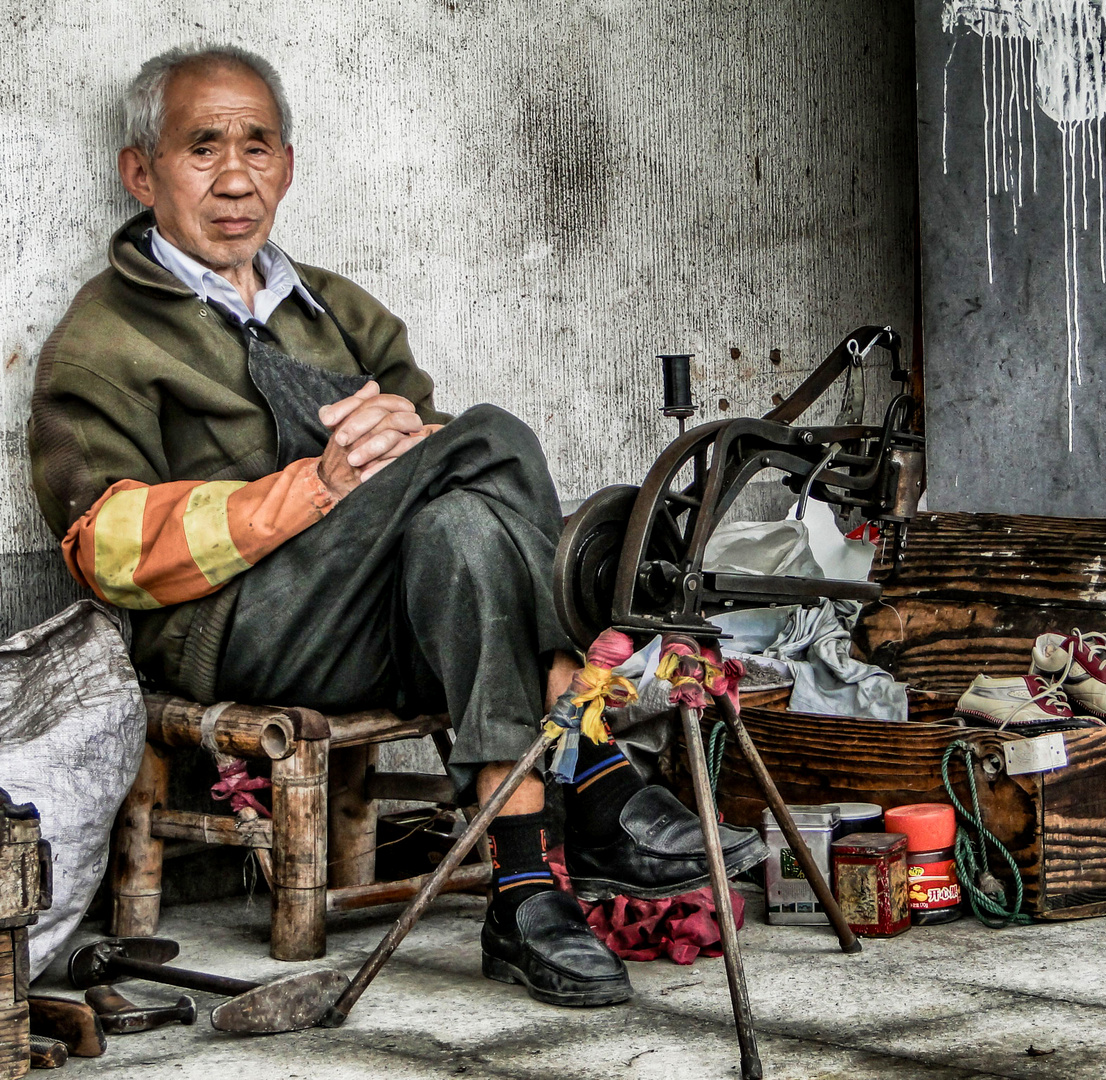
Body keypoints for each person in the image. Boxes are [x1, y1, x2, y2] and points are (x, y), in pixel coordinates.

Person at [28, 45, 763, 1007]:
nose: (236, 176)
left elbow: (446, 494)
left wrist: (396, 462)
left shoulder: (336, 312)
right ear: (142, 170)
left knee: (464, 529)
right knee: (489, 439)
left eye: (257, 145)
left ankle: (525, 893)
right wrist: (316, 487)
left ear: (287, 164)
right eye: (202, 147)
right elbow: (105, 549)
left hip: (380, 625)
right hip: (237, 631)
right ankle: (589, 767)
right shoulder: (105, 334)